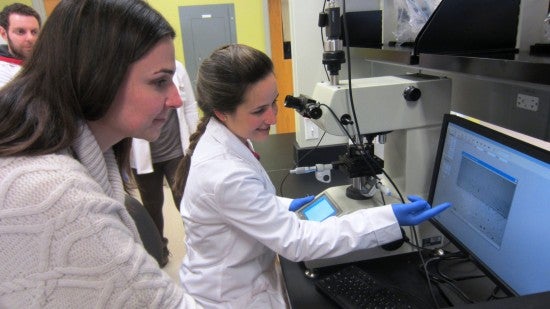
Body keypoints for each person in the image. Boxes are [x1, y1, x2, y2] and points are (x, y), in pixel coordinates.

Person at [174, 44, 452, 308]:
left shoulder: (225, 136)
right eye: (259, 110)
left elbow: (237, 204)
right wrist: (389, 218)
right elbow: (298, 242)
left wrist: (279, 206)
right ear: (222, 112)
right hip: (229, 297)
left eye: (273, 102)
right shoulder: (224, 172)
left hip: (240, 278)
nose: (272, 118)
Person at [0, 0, 199, 307]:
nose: (174, 99)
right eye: (160, 82)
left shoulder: (87, 156)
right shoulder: (55, 193)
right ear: (97, 75)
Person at [131, 60, 199, 267]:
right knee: (152, 206)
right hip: (144, 155)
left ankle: (198, 248)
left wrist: (194, 142)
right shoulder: (130, 70)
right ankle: (158, 251)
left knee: (185, 202)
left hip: (175, 151)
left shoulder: (178, 67)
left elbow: (189, 107)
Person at [0, 3, 41, 88]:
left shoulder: (45, 58)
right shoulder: (2, 71)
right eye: (20, 32)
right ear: (4, 33)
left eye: (34, 32)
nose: (30, 38)